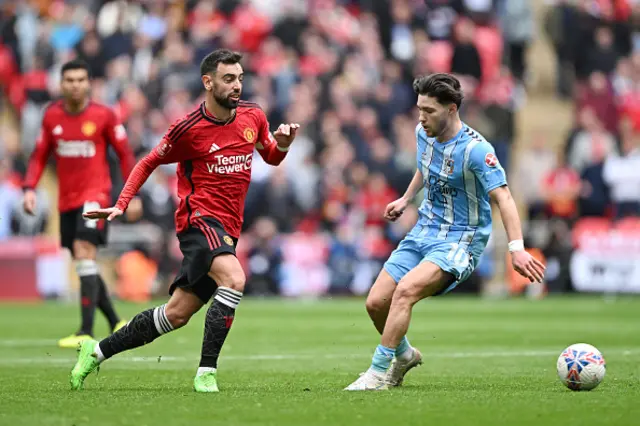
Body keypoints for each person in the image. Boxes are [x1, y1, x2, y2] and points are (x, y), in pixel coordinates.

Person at [70, 49, 300, 393]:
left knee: (176, 314)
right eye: (228, 79)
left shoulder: (253, 115)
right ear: (208, 82)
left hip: (228, 229)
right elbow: (148, 161)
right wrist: (121, 203)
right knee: (234, 279)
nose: (237, 85)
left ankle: (97, 350)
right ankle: (206, 371)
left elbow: (270, 156)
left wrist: (282, 145)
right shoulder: (188, 128)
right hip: (199, 221)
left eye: (239, 78)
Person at [344, 73, 545, 391]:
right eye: (419, 109)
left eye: (429, 111)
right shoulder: (423, 133)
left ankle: (378, 373)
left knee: (406, 291)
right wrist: (406, 198)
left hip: (460, 239)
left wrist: (516, 248)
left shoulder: (477, 150)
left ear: (452, 109)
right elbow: (426, 167)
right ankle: (406, 355)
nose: (421, 117)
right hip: (424, 229)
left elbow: (504, 196)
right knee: (375, 303)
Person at [22, 59, 138, 348]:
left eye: (80, 80)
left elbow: (125, 155)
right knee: (82, 260)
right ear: (61, 84)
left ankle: (86, 331)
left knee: (84, 252)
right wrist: (29, 188)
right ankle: (116, 321)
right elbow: (38, 155)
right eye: (69, 80)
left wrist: (131, 194)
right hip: (66, 200)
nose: (75, 85)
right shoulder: (51, 116)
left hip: (95, 195)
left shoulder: (104, 115)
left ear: (88, 83)